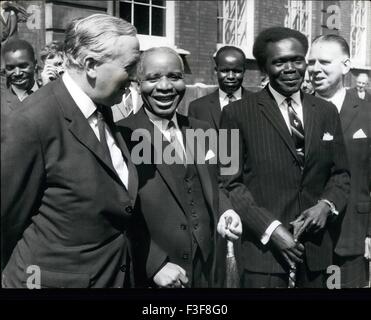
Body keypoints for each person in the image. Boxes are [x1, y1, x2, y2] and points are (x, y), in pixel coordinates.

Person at [1, 14, 140, 288]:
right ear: (90, 65)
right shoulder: (32, 121)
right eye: (130, 66)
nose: (135, 77)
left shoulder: (103, 107)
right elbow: (6, 219)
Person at [219, 27, 350, 288]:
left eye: (297, 59)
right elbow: (229, 183)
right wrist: (272, 229)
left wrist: (326, 205)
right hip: (264, 258)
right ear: (264, 68)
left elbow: (341, 174)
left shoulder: (326, 111)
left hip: (316, 255)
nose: (290, 68)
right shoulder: (235, 113)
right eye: (279, 62)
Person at [118, 47, 242, 288]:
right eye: (153, 78)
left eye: (174, 77)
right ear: (137, 83)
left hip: (205, 273)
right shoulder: (122, 135)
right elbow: (118, 213)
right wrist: (154, 264)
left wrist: (226, 211)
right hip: (155, 277)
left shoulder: (202, 129)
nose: (165, 87)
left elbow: (218, 184)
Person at [308, 34, 371, 288]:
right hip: (306, 239)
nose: (315, 69)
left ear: (346, 66)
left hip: (352, 236)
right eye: (311, 62)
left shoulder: (367, 113)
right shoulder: (296, 112)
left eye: (324, 61)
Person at [188, 46, 251, 130]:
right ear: (215, 71)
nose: (231, 76)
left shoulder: (259, 105)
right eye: (225, 71)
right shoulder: (197, 108)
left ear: (244, 71)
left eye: (237, 71)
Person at [1, 38, 39, 115]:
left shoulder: (52, 94)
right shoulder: (2, 103)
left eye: (23, 66)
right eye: (10, 68)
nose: (17, 73)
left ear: (35, 64)